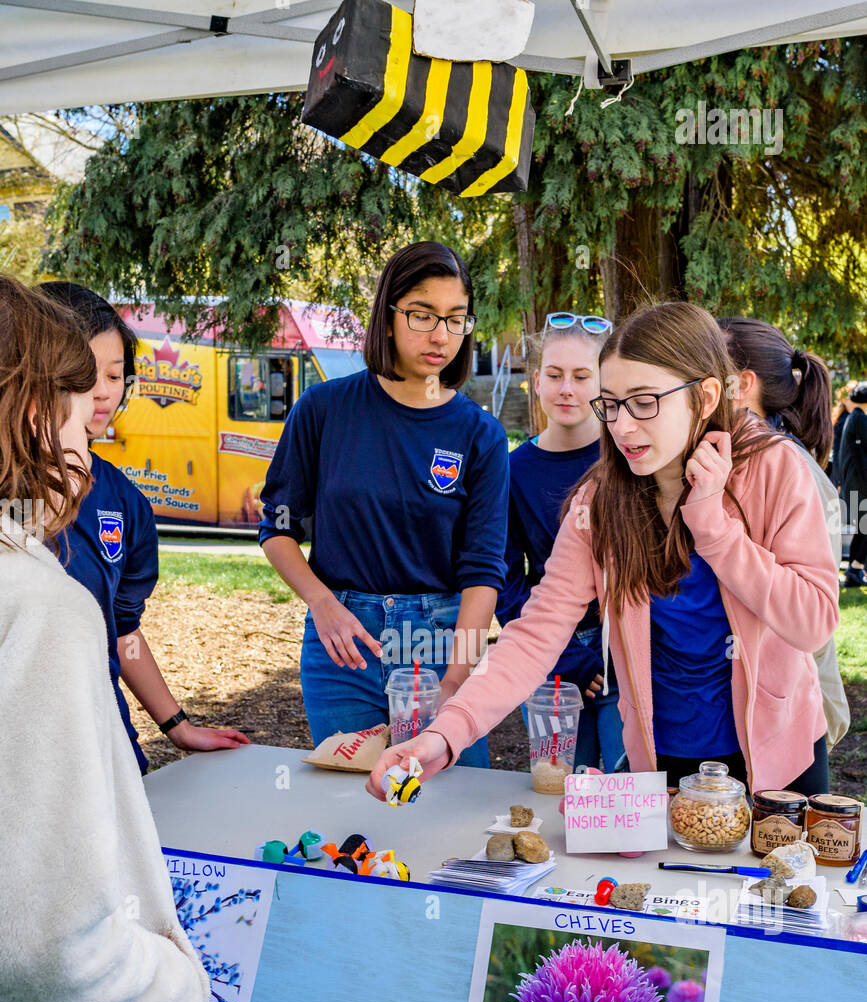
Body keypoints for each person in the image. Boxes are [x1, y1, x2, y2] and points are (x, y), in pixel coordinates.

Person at [366, 302, 839, 802]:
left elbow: (812, 622)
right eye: (610, 404)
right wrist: (447, 732)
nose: (623, 426)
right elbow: (537, 632)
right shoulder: (600, 500)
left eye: (644, 402)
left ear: (705, 397)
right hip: (664, 760)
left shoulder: (772, 469)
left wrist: (715, 529)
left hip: (779, 761)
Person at [0, 275, 210, 1002]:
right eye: (75, 393)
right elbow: (48, 937)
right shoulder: (35, 606)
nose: (95, 419)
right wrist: (176, 991)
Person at [259, 242, 510, 767]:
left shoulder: (480, 436)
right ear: (388, 315)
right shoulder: (323, 410)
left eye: (455, 319)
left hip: (442, 647)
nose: (440, 335)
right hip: (343, 647)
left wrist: (458, 678)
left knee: (447, 815)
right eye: (422, 315)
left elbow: (484, 571)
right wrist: (321, 603)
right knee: (356, 817)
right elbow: (278, 526)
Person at [37, 281, 250, 773]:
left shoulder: (125, 501)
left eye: (117, 374)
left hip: (101, 734)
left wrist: (176, 724)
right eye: (88, 374)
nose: (105, 390)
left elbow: (122, 629)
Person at [497, 312, 624, 772]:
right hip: (553, 654)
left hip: (628, 649)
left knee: (626, 784)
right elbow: (505, 581)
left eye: (582, 376)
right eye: (554, 375)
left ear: (605, 383)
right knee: (561, 786)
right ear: (536, 382)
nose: (567, 388)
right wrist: (566, 655)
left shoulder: (628, 458)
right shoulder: (512, 471)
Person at [719, 316, 849, 748]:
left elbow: (811, 614)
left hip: (791, 714)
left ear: (741, 383)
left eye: (707, 368)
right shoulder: (731, 462)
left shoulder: (795, 473)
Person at [836, 381, 867, 587]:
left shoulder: (853, 417)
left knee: (862, 529)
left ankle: (853, 570)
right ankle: (855, 567)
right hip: (860, 484)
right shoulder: (859, 420)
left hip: (854, 483)